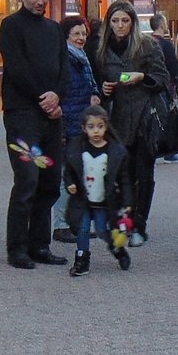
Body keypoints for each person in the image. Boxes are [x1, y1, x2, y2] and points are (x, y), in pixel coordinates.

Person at [0, 0, 66, 269]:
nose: (40, 1)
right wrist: (44, 97)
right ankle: (17, 248)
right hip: (23, 115)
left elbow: (66, 69)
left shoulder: (54, 29)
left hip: (51, 118)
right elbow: (18, 68)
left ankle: (40, 244)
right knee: (27, 180)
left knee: (49, 182)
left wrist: (57, 96)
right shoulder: (11, 26)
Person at [93, 1, 170, 246]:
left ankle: (139, 224)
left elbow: (162, 79)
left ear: (133, 22)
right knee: (119, 174)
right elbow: (100, 85)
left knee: (144, 174)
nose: (120, 26)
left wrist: (143, 77)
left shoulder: (148, 45)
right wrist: (104, 89)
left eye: (125, 20)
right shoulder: (102, 49)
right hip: (117, 120)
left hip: (144, 117)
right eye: (115, 21)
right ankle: (122, 220)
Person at [62, 104, 129, 276]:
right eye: (91, 127)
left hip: (103, 201)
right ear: (84, 129)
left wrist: (127, 201)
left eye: (100, 126)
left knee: (102, 230)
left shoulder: (114, 151)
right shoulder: (77, 150)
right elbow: (69, 171)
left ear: (106, 126)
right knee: (83, 229)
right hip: (83, 200)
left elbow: (124, 180)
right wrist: (70, 183)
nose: (96, 131)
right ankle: (81, 259)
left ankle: (117, 249)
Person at [50, 15, 100, 241]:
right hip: (67, 125)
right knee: (66, 178)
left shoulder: (82, 58)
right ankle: (61, 225)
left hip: (80, 125)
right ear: (66, 36)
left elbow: (90, 86)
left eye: (84, 34)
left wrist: (95, 95)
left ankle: (74, 222)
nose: (81, 38)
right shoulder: (63, 59)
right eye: (77, 34)